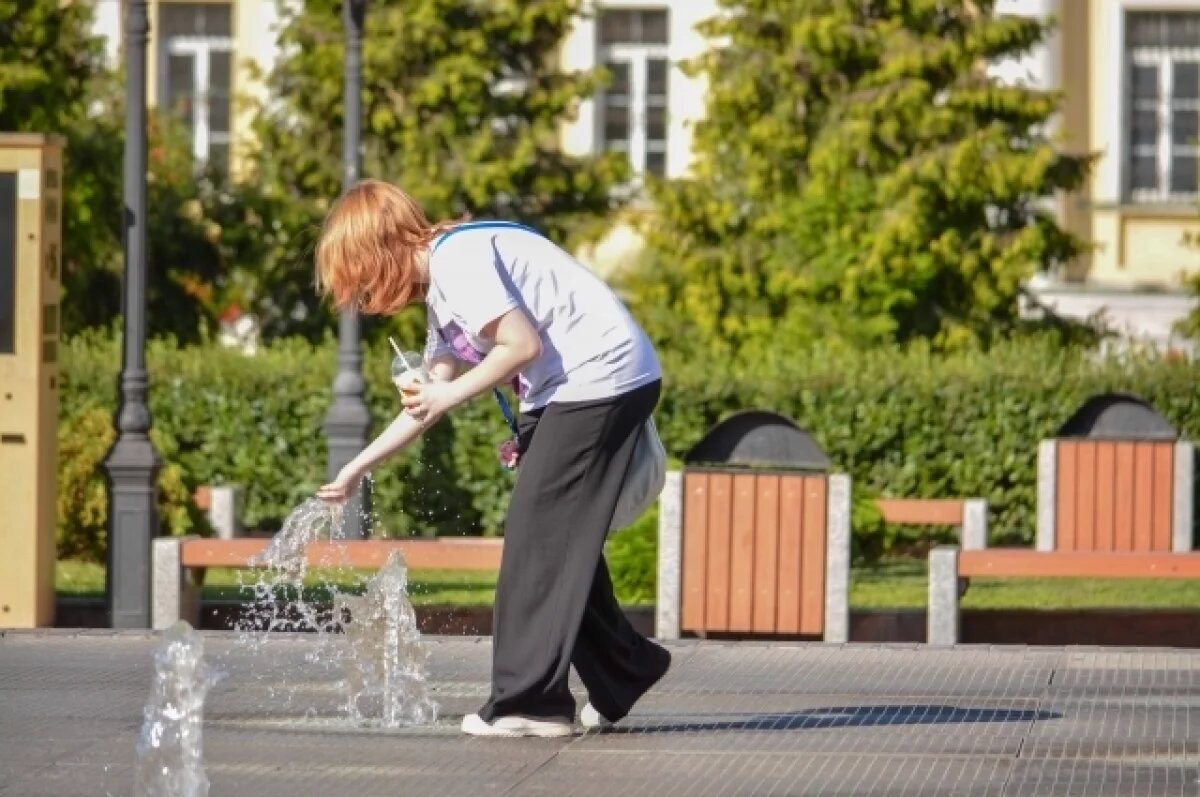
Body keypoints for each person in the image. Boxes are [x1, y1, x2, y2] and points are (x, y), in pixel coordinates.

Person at [313, 179, 671, 738]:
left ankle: (530, 706)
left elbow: (519, 347)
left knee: (537, 542)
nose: (362, 298)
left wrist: (448, 395)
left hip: (602, 378)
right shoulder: (443, 294)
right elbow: (424, 405)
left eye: (358, 279)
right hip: (574, 388)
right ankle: (626, 670)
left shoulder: (459, 262)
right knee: (555, 541)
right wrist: (355, 468)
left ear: (377, 251)